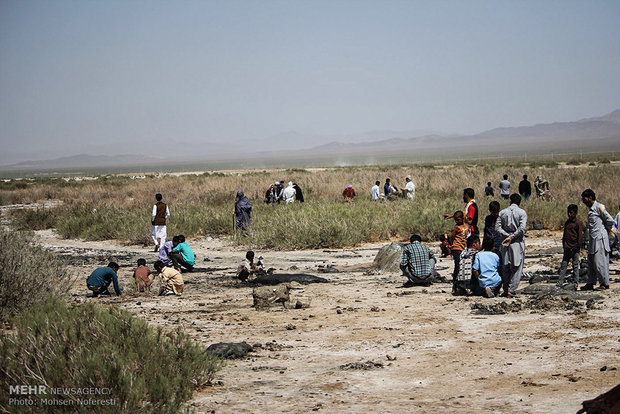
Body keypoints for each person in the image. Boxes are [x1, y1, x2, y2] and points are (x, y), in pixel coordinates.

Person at [581, 189, 615, 291]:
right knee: (591, 262)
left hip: (600, 239)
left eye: (584, 199)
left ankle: (604, 283)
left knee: (599, 262)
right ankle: (590, 283)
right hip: (593, 239)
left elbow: (610, 220)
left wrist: (605, 230)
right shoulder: (591, 209)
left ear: (590, 198)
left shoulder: (599, 207)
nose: (583, 201)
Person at [495, 193, 527, 297]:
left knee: (506, 266)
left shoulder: (502, 212)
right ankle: (511, 289)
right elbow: (522, 228)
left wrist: (507, 236)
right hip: (516, 242)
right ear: (519, 202)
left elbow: (497, 228)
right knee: (517, 266)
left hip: (505, 242)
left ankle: (505, 289)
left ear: (510, 201)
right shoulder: (522, 212)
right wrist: (512, 237)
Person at [556, 204, 584, 287]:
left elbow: (580, 236)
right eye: (568, 212)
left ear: (575, 213)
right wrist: (564, 245)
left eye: (571, 213)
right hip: (567, 248)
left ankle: (576, 283)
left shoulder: (578, 223)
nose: (569, 214)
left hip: (574, 248)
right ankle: (560, 282)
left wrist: (577, 246)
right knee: (563, 266)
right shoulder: (567, 223)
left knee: (575, 266)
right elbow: (565, 235)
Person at [448, 211, 469, 295]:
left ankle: (461, 284)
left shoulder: (466, 226)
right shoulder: (455, 228)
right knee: (458, 266)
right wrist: (452, 245)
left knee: (463, 266)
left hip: (464, 248)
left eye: (458, 220)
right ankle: (455, 284)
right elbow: (451, 237)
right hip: (456, 248)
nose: (457, 221)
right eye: (456, 220)